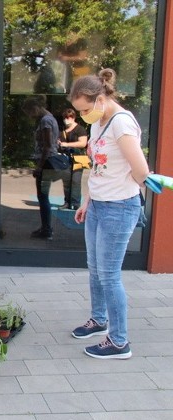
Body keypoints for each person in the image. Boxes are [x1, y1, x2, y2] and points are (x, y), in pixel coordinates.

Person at [69, 68, 150, 359]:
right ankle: (99, 320)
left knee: (109, 274)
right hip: (98, 205)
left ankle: (119, 342)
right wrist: (86, 200)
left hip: (119, 207)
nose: (82, 116)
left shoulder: (122, 124)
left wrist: (143, 181)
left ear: (100, 98)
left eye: (85, 109)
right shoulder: (97, 124)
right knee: (95, 267)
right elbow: (95, 167)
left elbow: (141, 169)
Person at [22, 95, 66, 240]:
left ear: (35, 108)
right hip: (47, 160)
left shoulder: (45, 121)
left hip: (46, 162)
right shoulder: (50, 117)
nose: (30, 116)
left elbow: (47, 146)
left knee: (43, 197)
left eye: (30, 112)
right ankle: (45, 228)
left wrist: (39, 167)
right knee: (43, 196)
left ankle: (46, 229)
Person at [58, 108, 88, 210]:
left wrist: (67, 144)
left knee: (76, 181)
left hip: (78, 158)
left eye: (69, 117)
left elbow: (83, 143)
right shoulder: (63, 131)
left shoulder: (80, 129)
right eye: (65, 118)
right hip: (65, 159)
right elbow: (60, 144)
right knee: (66, 181)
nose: (67, 119)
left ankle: (76, 204)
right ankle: (67, 202)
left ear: (73, 117)